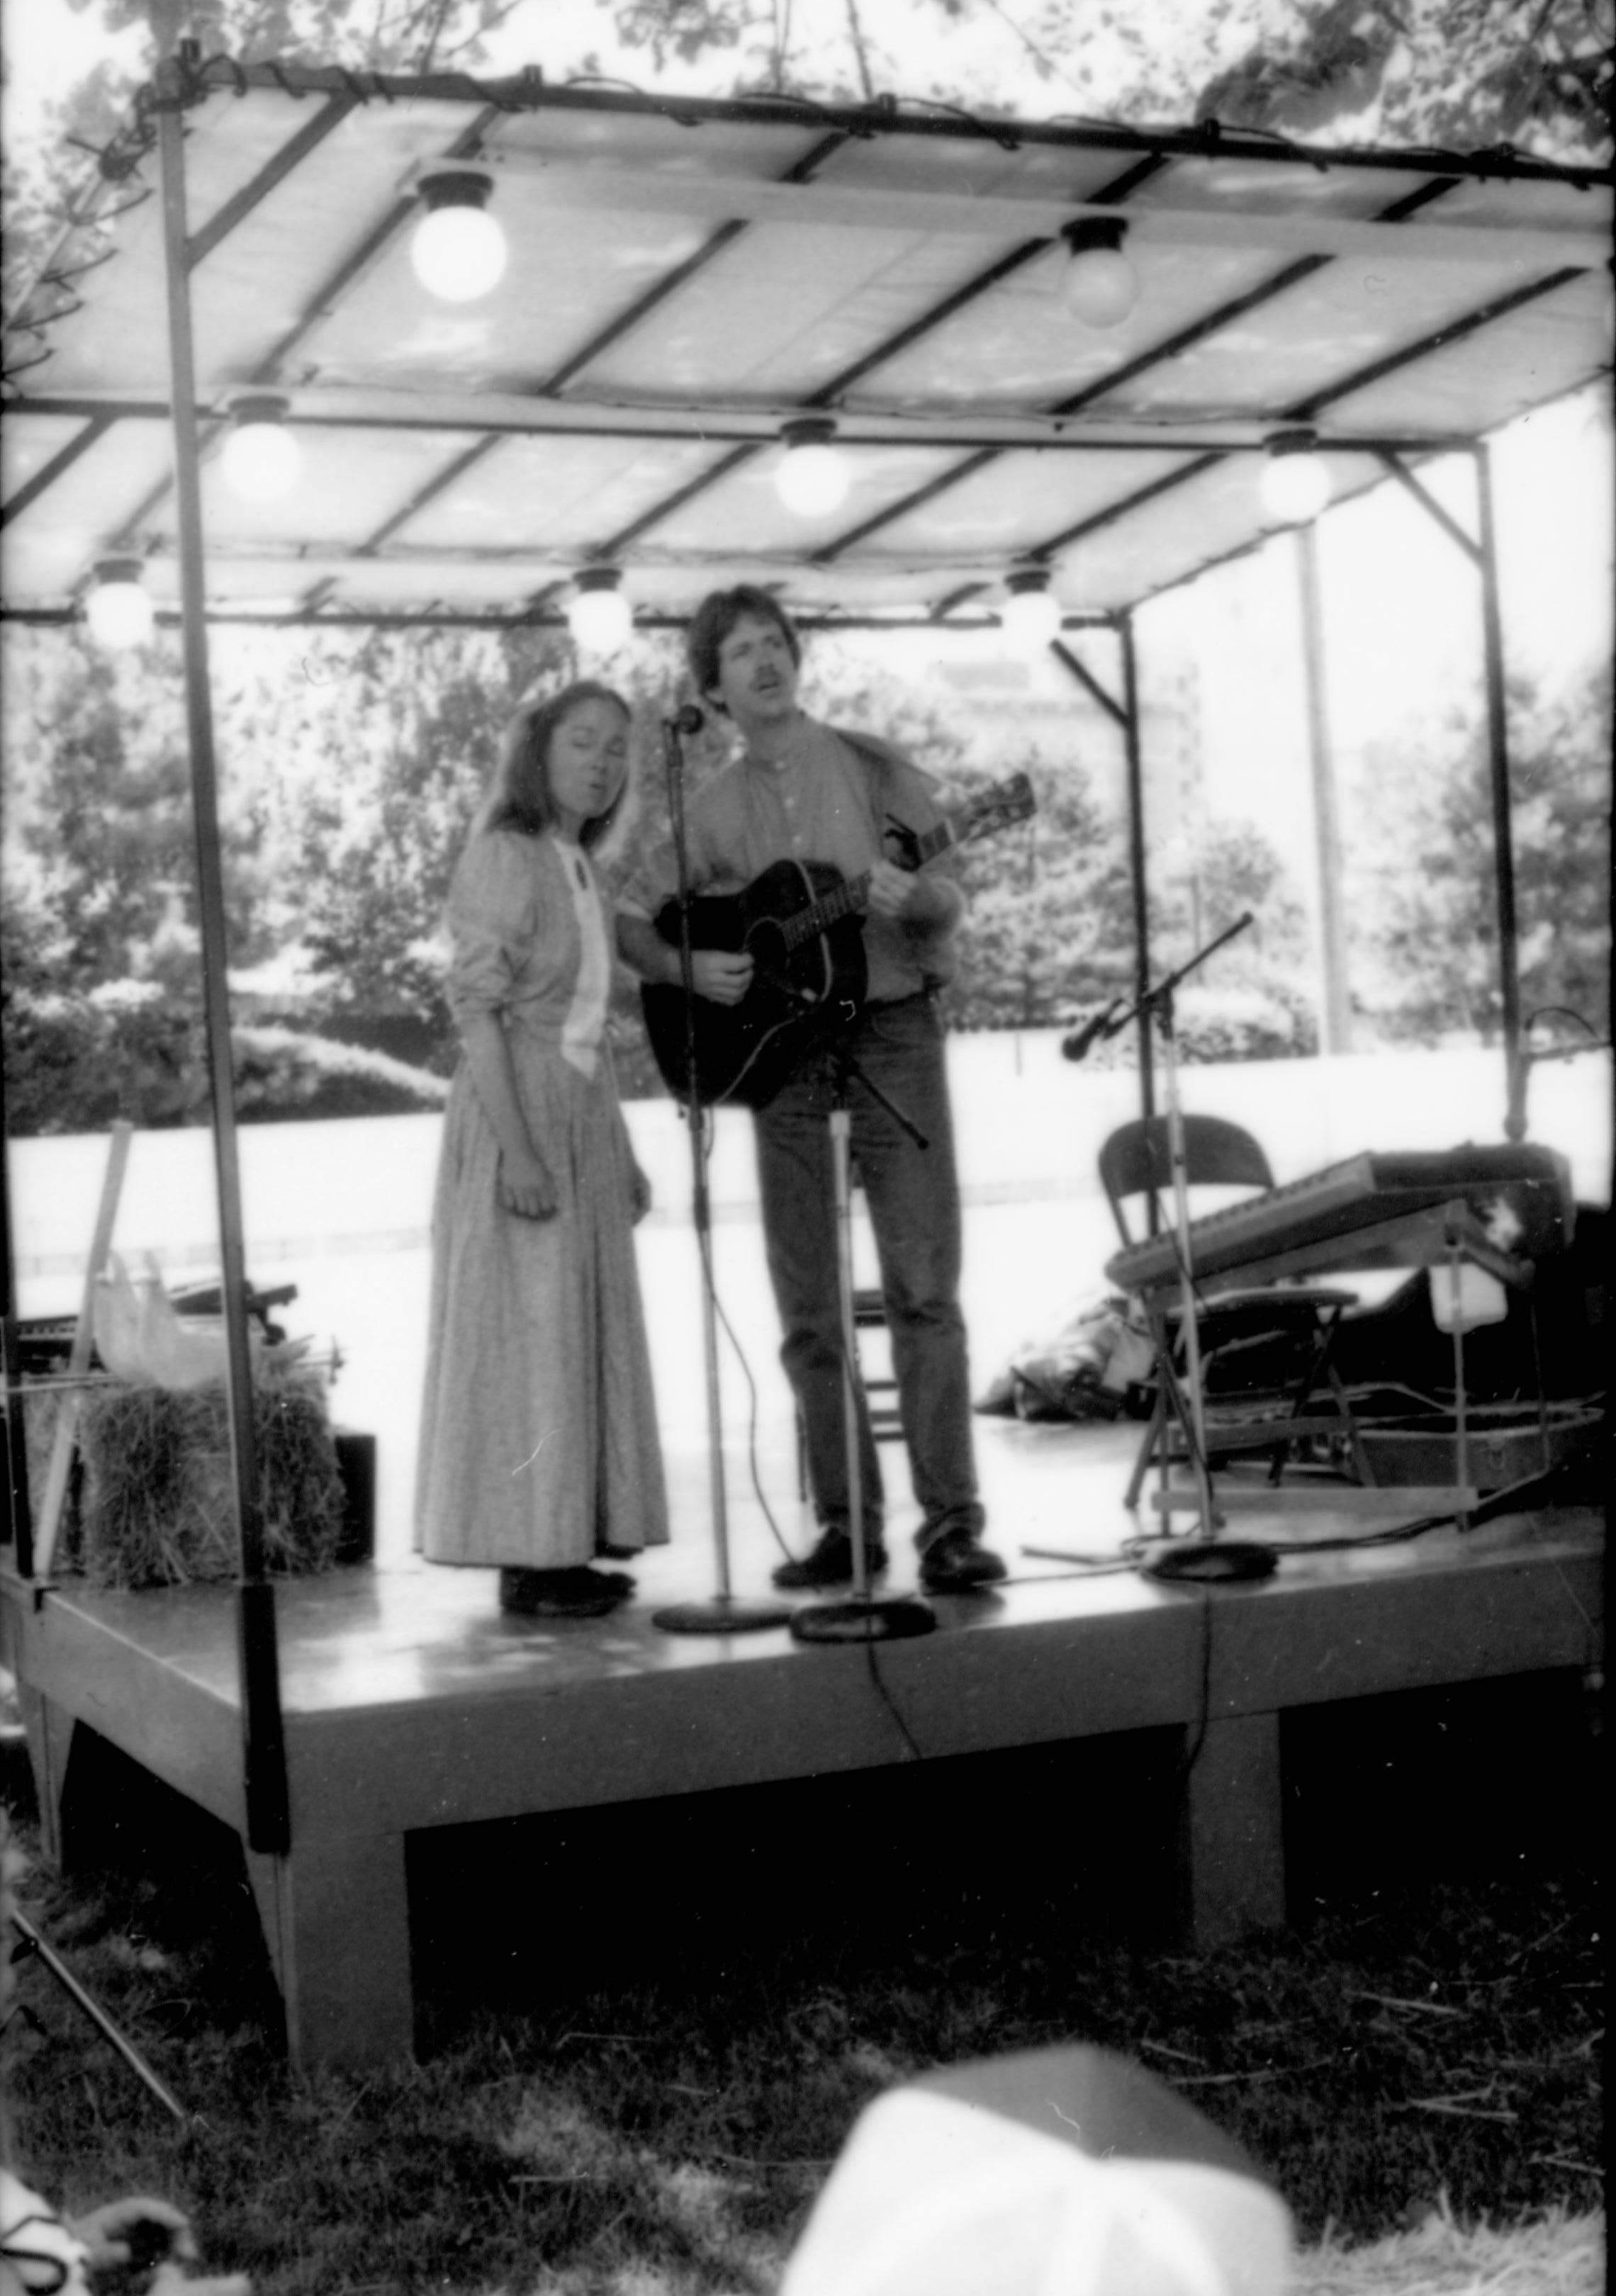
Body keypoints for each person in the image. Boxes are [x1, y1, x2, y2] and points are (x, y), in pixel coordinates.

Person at [617, 588, 1006, 1594]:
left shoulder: (878, 771)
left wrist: (919, 898)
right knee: (807, 1303)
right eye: (740, 654)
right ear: (712, 688)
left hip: (893, 1035)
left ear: (798, 658)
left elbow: (951, 896)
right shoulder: (706, 813)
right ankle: (847, 1525)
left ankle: (953, 1527)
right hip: (783, 1059)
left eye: (774, 645)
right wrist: (686, 970)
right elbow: (628, 917)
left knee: (924, 1289)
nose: (763, 663)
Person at [415, 681, 669, 1618]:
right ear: (538, 753)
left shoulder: (579, 865)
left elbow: (586, 1028)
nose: (603, 763)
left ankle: (564, 1541)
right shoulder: (505, 856)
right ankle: (530, 1561)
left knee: (570, 1331)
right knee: (531, 1333)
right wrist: (519, 1154)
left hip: (578, 1120)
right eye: (584, 743)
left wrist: (622, 1148)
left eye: (617, 750)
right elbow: (477, 1017)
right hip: (514, 1117)